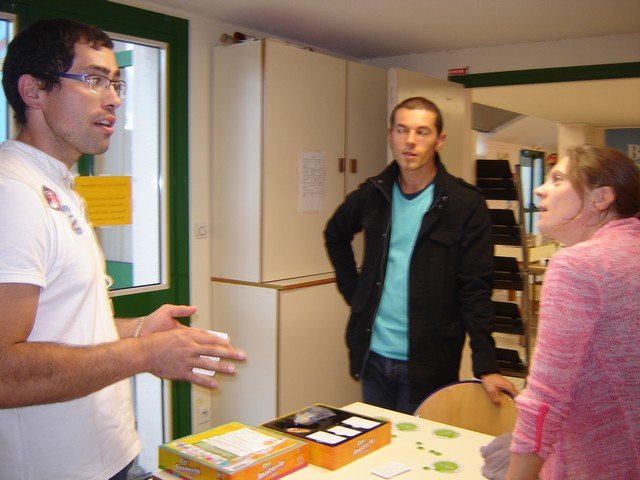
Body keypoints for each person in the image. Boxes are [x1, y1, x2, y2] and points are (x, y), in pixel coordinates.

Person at [0, 19, 245, 480]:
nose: (113, 99)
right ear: (33, 91)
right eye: (93, 80)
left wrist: (137, 331)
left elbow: (60, 325)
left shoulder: (57, 185)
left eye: (116, 83)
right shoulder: (11, 193)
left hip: (111, 455)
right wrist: (145, 355)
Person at [324, 96, 516, 414]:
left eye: (422, 132)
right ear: (390, 135)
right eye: (402, 130)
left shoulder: (464, 204)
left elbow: (476, 289)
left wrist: (486, 365)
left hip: (431, 362)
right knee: (379, 453)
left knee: (421, 454)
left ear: (439, 140)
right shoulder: (373, 194)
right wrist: (356, 293)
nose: (410, 141)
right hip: (373, 355)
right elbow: (335, 234)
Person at [506, 145, 640, 479]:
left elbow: (546, 398)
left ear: (601, 198)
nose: (539, 188)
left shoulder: (580, 265)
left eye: (557, 179)